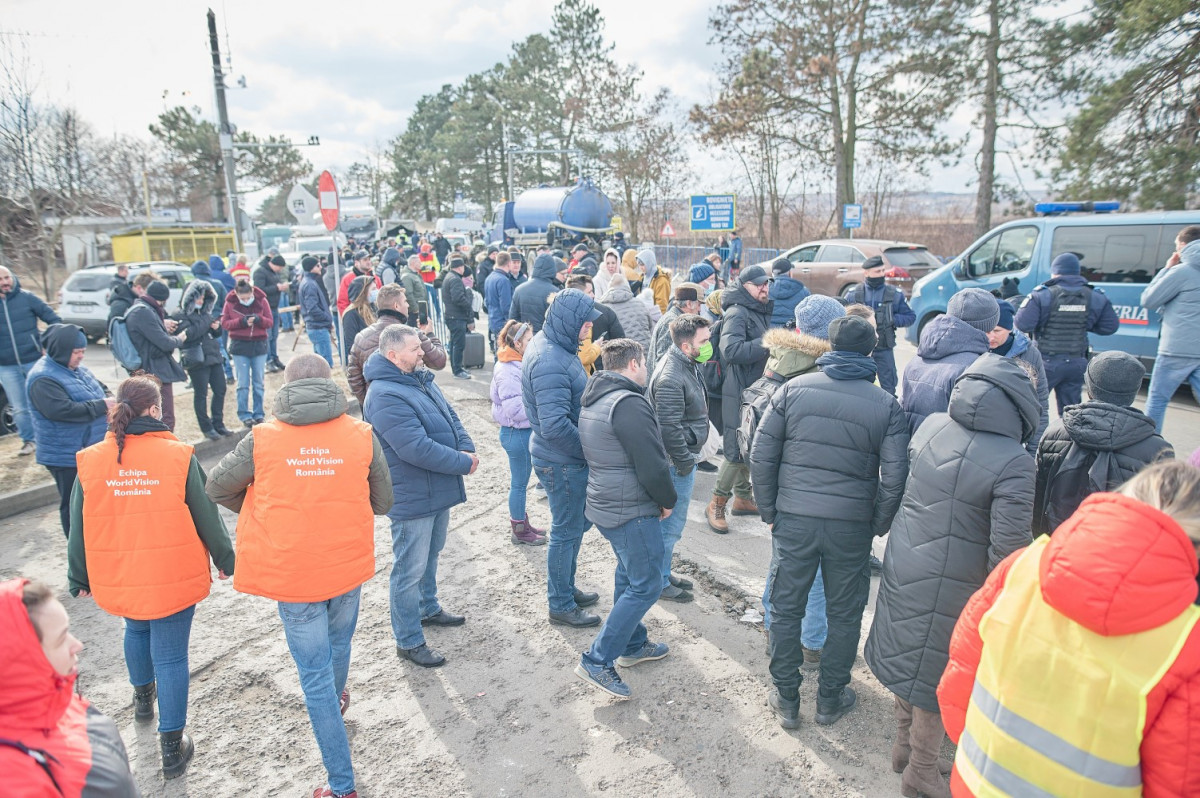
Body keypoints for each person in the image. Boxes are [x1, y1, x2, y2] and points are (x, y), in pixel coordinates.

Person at [938, 461, 1200, 798]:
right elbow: (1176, 784)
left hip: (977, 784)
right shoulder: (1185, 643)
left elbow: (957, 684)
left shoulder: (1022, 566)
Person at [206, 354, 392, 798]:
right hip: (345, 565)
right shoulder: (360, 433)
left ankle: (342, 784)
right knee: (339, 646)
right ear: (327, 383)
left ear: (286, 386)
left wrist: (261, 510)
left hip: (293, 573)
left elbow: (216, 486)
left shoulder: (263, 439)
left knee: (314, 676)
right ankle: (337, 702)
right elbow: (382, 501)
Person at [865, 354, 1038, 798]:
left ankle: (904, 745)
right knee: (938, 676)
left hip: (908, 557)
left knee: (911, 657)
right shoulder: (1015, 461)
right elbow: (1009, 550)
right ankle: (922, 771)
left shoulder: (933, 424)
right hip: (958, 582)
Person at [68, 375, 234, 780]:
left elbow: (78, 523)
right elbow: (206, 514)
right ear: (156, 410)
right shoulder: (178, 455)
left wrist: (79, 574)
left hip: (122, 570)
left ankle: (144, 700)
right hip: (171, 573)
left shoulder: (90, 459)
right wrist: (226, 558)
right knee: (172, 655)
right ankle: (172, 747)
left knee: (136, 630)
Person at [750, 315, 909, 730]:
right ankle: (830, 697)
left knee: (786, 610)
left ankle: (786, 697)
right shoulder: (885, 404)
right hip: (850, 524)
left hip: (795, 519)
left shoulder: (793, 389)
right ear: (871, 351)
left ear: (828, 346)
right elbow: (894, 476)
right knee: (845, 612)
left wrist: (771, 512)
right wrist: (875, 523)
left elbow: (761, 457)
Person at [363, 325, 477, 669]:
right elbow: (414, 447)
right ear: (393, 355)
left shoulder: (419, 379)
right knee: (408, 568)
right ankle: (408, 640)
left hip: (436, 487)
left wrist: (466, 447)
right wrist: (461, 462)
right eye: (415, 349)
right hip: (412, 494)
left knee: (431, 554)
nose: (422, 353)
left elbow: (451, 416)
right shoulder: (383, 394)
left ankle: (428, 607)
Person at [748, 295, 846, 667]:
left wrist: (768, 504)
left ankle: (774, 627)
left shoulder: (780, 358)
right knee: (818, 571)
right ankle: (812, 642)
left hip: (784, 489)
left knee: (782, 565)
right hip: (811, 487)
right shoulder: (817, 369)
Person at [575, 339, 677, 698]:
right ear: (633, 364)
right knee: (646, 584)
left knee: (628, 573)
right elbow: (651, 463)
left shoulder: (596, 395)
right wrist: (667, 500)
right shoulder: (629, 403)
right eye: (644, 364)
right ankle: (597, 660)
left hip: (607, 503)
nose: (647, 370)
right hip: (630, 508)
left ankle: (632, 645)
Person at [0, 578, 138, 796]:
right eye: (61, 638)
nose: (77, 645)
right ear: (24, 660)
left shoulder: (53, 700)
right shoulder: (14, 781)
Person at [522, 288, 604, 627]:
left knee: (572, 527)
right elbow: (555, 426)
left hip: (563, 457)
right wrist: (591, 452)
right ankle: (560, 604)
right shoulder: (550, 360)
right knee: (566, 530)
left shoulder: (557, 347)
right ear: (570, 322)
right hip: (562, 459)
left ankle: (566, 588)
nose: (589, 329)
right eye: (585, 324)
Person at [1034, 350, 1173, 536]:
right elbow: (1160, 516)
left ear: (1090, 387)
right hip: (1121, 551)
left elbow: (1038, 496)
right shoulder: (1158, 450)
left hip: (1058, 542)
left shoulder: (1054, 432)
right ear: (1134, 391)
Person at [647, 314, 710, 603]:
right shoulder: (672, 376)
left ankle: (664, 572)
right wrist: (685, 463)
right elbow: (669, 429)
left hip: (682, 460)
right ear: (686, 347)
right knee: (668, 529)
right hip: (676, 465)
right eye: (705, 341)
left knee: (672, 528)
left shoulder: (686, 363)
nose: (710, 345)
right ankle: (658, 582)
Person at [706, 265, 773, 534]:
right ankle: (716, 503)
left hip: (754, 389)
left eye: (766, 283)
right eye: (759, 284)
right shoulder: (737, 312)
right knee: (735, 450)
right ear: (744, 286)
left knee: (749, 444)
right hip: (738, 391)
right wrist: (769, 342)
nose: (764, 288)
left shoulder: (757, 310)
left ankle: (743, 498)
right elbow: (731, 350)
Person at [26, 324, 111, 537]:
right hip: (65, 454)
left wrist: (109, 399)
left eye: (83, 351)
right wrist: (103, 405)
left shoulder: (75, 368)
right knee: (73, 505)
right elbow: (61, 410)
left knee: (94, 501)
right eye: (76, 352)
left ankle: (95, 543)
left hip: (86, 449)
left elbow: (99, 388)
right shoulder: (43, 378)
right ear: (61, 350)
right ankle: (78, 551)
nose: (81, 356)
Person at [1015, 252, 1120, 414]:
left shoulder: (1042, 294)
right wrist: (1085, 322)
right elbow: (1110, 326)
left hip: (1045, 363)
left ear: (1056, 272)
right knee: (1071, 413)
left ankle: (1034, 439)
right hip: (1076, 363)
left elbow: (1022, 324)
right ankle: (1068, 438)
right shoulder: (1095, 295)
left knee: (1032, 408)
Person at [900, 286, 997, 435]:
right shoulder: (974, 368)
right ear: (988, 326)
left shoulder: (918, 357)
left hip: (912, 446)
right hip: (944, 453)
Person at [491, 319, 547, 546]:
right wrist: (541, 406)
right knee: (519, 484)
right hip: (517, 433)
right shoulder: (507, 369)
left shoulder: (516, 363)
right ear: (517, 342)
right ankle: (520, 530)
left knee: (521, 483)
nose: (533, 343)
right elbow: (515, 410)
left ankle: (523, 523)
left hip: (521, 432)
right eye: (529, 340)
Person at [346, 285, 446, 407]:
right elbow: (439, 361)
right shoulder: (412, 334)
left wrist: (371, 403)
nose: (408, 305)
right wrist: (430, 334)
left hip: (376, 408)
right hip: (411, 403)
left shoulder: (361, 337)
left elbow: (353, 379)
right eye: (405, 301)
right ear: (396, 306)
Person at [1142, 228, 1200, 433]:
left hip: (1176, 349)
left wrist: (1167, 268)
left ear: (1183, 246)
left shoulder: (1181, 271)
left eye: (1176, 246)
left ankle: (1149, 449)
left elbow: (1149, 300)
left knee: (1157, 400)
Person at [0, 265, 62, 456]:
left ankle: (54, 437)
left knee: (45, 401)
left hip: (34, 360)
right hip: (6, 366)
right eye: (0, 280)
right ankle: (29, 441)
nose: (5, 282)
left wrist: (46, 344)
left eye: (7, 277)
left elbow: (55, 320)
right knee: (19, 407)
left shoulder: (27, 298)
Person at [843, 255, 915, 395]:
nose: (881, 275)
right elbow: (842, 317)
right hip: (859, 350)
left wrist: (892, 319)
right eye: (877, 272)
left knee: (888, 388)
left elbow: (910, 317)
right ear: (866, 273)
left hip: (883, 348)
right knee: (856, 387)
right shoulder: (854, 294)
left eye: (883, 271)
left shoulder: (894, 294)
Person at [985, 297, 1049, 451]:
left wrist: (1033, 451)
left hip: (1014, 440)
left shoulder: (1029, 354)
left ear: (1009, 328)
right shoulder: (974, 351)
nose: (991, 337)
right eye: (986, 331)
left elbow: (1040, 404)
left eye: (997, 331)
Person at [125, 273, 186, 430]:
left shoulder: (139, 309)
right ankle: (165, 451)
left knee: (153, 417)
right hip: (154, 371)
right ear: (161, 300)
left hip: (147, 371)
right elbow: (164, 344)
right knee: (164, 417)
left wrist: (162, 326)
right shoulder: (144, 312)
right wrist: (179, 339)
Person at [173, 278, 230, 441]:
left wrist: (217, 328)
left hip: (213, 355)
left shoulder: (205, 313)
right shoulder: (179, 314)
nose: (201, 301)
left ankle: (218, 423)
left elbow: (213, 333)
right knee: (201, 394)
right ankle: (206, 427)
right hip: (196, 359)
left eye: (203, 298)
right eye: (198, 298)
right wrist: (207, 322)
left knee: (220, 389)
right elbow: (188, 334)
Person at [222, 279, 273, 427]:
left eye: (247, 297)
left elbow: (270, 321)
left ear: (252, 292)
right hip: (239, 346)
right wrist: (241, 322)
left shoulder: (262, 301)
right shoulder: (230, 303)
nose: (245, 300)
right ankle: (244, 414)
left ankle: (259, 413)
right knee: (243, 383)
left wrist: (259, 319)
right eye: (242, 298)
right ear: (236, 294)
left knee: (258, 382)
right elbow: (225, 323)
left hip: (259, 344)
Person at [648, 283, 702, 369]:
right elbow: (664, 362)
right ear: (688, 304)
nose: (700, 309)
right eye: (699, 304)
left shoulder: (676, 319)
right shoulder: (672, 322)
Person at [510, 253, 566, 333]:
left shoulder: (519, 290)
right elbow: (559, 323)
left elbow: (513, 320)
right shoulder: (555, 292)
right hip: (544, 340)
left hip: (524, 339)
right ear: (552, 269)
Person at [600, 272, 655, 353]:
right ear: (627, 286)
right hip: (645, 354)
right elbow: (651, 329)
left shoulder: (604, 308)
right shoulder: (640, 303)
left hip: (621, 358)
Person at [441, 256, 475, 380]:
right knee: (458, 344)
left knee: (455, 343)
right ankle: (457, 370)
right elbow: (458, 298)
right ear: (460, 267)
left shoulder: (449, 276)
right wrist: (468, 305)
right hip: (456, 316)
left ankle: (457, 367)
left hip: (452, 315)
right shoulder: (455, 279)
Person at [299, 256, 336, 367]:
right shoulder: (309, 284)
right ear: (311, 268)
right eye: (318, 265)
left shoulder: (308, 282)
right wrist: (326, 318)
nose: (321, 267)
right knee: (325, 365)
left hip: (315, 326)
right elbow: (312, 308)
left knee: (320, 364)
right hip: (318, 327)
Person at [254, 253, 288, 373]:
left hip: (273, 307)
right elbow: (259, 290)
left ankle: (274, 357)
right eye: (280, 268)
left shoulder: (273, 273)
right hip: (264, 309)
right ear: (274, 264)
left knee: (274, 336)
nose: (280, 270)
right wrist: (276, 288)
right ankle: (268, 360)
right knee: (267, 336)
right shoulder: (260, 272)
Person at [485, 251, 520, 352]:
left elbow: (486, 302)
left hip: (493, 319)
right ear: (509, 263)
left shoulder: (490, 278)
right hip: (502, 322)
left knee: (498, 350)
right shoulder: (503, 280)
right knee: (504, 351)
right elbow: (506, 306)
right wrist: (511, 323)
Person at [768, 257, 811, 329]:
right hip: (793, 336)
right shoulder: (803, 291)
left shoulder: (763, 290)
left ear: (773, 274)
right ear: (790, 273)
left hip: (768, 335)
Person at [341, 275, 376, 354]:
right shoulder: (350, 314)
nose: (376, 291)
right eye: (373, 289)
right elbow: (351, 346)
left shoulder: (374, 308)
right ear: (363, 292)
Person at [638, 249, 671, 314]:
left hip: (655, 318)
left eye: (642, 264)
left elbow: (662, 305)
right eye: (639, 265)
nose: (640, 267)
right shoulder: (642, 277)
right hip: (643, 315)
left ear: (649, 263)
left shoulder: (661, 280)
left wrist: (658, 321)